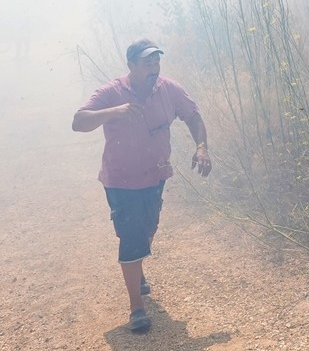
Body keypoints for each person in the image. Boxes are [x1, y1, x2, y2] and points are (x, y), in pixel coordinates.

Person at [72, 38, 211, 333]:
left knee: (149, 227)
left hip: (155, 175)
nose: (154, 68)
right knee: (132, 235)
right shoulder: (112, 93)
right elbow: (79, 121)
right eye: (147, 63)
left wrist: (202, 148)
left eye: (156, 62)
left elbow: (193, 116)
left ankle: (138, 270)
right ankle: (137, 307)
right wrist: (115, 112)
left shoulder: (169, 89)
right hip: (120, 179)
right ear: (131, 65)